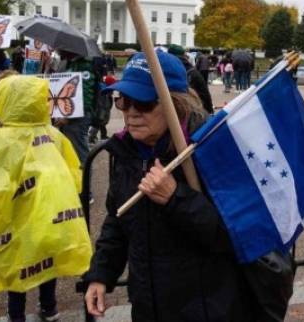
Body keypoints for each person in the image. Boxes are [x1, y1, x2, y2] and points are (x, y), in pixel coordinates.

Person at [83, 51, 257, 321]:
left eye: (142, 103)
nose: (130, 113)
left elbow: (236, 236)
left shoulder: (209, 150)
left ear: (175, 104)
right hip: (147, 305)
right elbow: (117, 221)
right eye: (123, 101)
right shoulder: (126, 150)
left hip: (204, 308)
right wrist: (100, 275)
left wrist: (176, 197)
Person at [0, 74, 92, 322]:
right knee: (46, 262)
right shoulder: (54, 135)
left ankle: (16, 316)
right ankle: (49, 308)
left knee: (16, 266)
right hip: (50, 217)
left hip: (11, 220)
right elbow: (74, 175)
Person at [54, 50, 100, 166]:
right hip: (69, 113)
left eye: (61, 49)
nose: (58, 51)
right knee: (70, 148)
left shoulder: (85, 65)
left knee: (79, 150)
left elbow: (85, 95)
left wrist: (69, 116)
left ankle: (84, 180)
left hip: (79, 115)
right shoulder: (70, 62)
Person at [168, 44, 214, 114]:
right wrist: (210, 111)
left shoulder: (164, 70)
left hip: (170, 112)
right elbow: (205, 94)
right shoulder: (192, 71)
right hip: (190, 113)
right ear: (184, 55)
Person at [89, 74, 116, 145]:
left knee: (102, 125)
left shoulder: (107, 91)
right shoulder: (104, 92)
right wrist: (101, 114)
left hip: (104, 111)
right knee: (97, 125)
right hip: (101, 112)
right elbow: (101, 104)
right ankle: (91, 138)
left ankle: (102, 136)